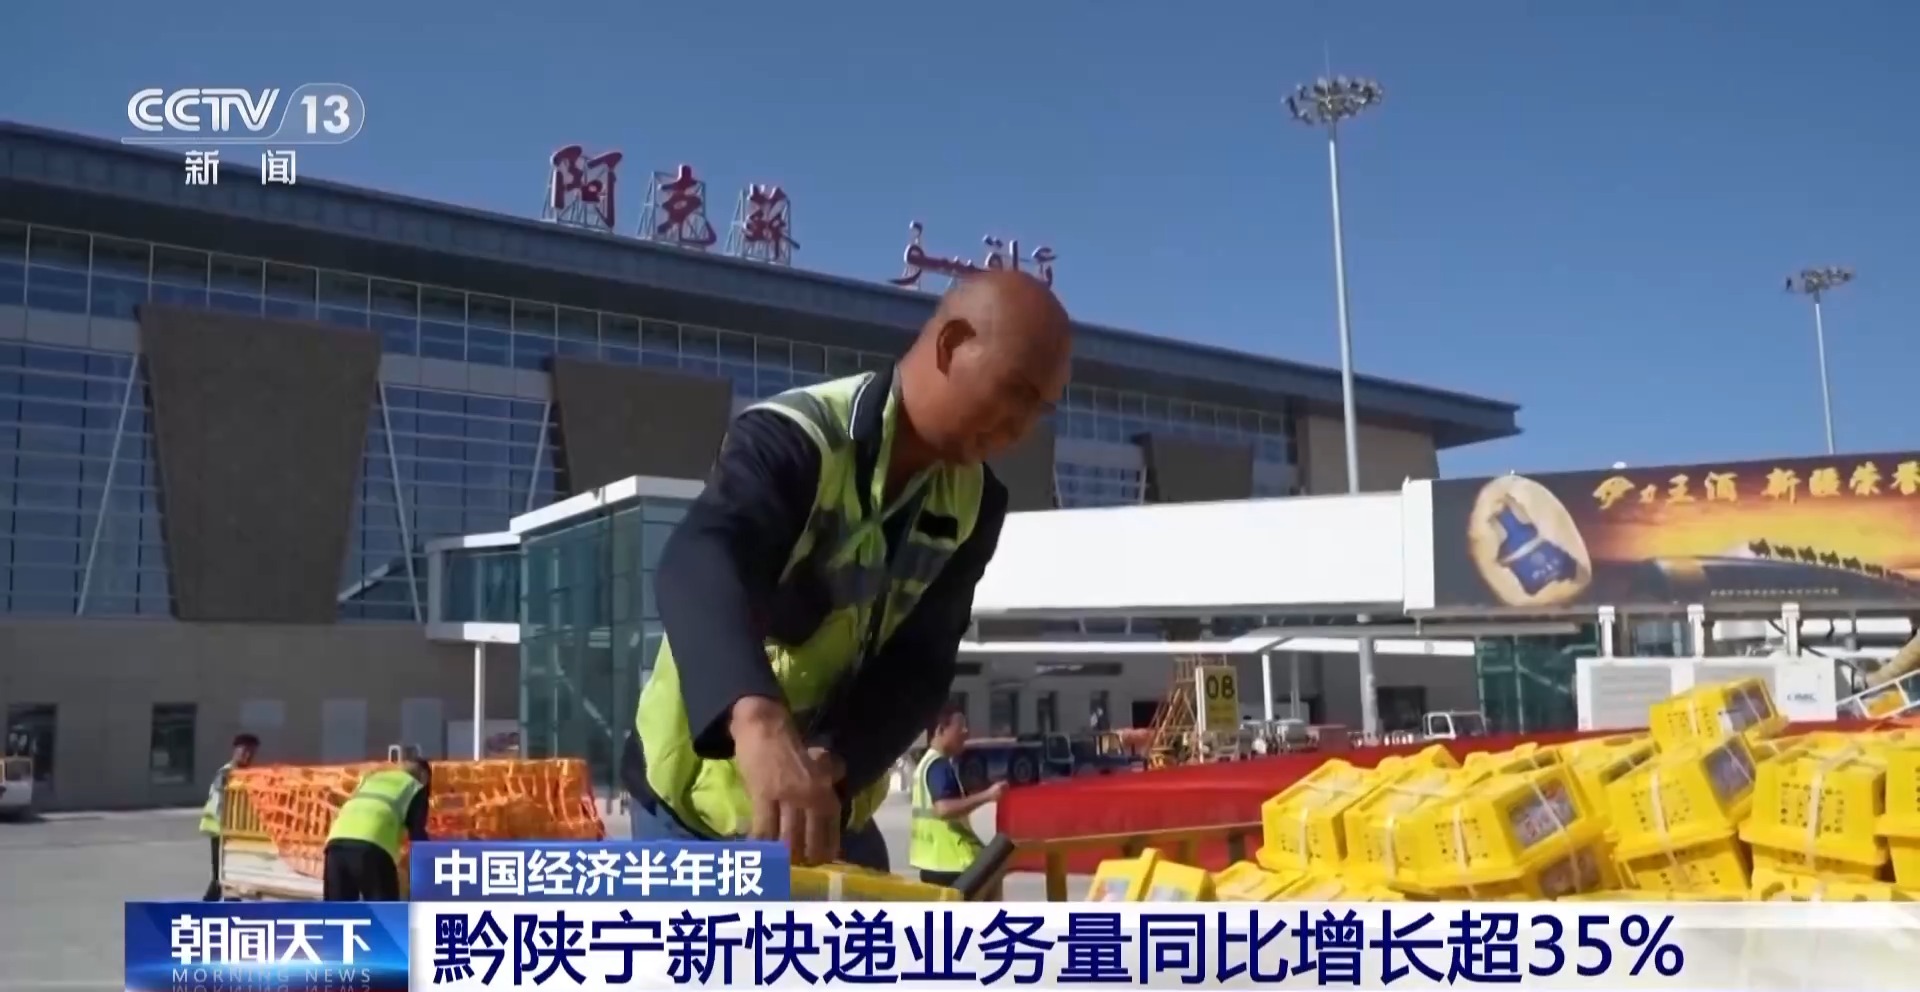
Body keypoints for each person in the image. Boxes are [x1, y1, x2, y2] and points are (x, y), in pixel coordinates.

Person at [627, 270, 1072, 869]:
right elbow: (700, 559)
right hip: (687, 816)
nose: (1021, 428)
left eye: (1039, 409)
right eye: (1015, 392)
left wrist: (832, 762)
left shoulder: (976, 504)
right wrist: (757, 722)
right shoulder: (799, 438)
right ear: (950, 344)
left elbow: (919, 664)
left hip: (829, 813)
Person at [909, 703, 1004, 888]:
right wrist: (987, 796)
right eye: (960, 727)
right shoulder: (938, 766)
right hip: (953, 863)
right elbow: (943, 809)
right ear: (941, 730)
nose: (966, 733)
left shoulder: (926, 764)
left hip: (932, 862)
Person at [323, 757, 431, 901]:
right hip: (373, 848)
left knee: (337, 912)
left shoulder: (370, 779)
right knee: (384, 911)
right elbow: (417, 833)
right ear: (424, 776)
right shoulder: (414, 787)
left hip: (335, 845)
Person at [199, 733, 260, 900]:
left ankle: (231, 909)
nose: (248, 756)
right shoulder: (226, 774)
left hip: (235, 834)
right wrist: (228, 827)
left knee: (231, 878)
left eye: (252, 752)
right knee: (221, 879)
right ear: (235, 751)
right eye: (245, 751)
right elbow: (219, 804)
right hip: (220, 832)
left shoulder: (248, 775)